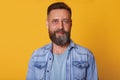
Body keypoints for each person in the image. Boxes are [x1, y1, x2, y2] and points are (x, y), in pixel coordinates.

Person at [26, 2, 98, 80]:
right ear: (47, 24)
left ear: (71, 24)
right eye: (55, 21)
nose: (61, 26)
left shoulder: (86, 56)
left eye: (65, 21)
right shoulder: (36, 57)